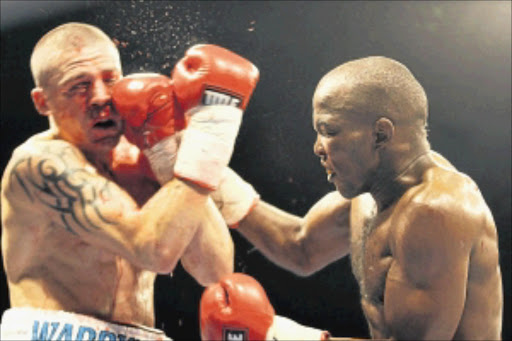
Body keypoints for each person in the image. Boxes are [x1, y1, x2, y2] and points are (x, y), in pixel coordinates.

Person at [201, 56, 503, 340]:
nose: (318, 148)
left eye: (329, 130)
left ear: (381, 135)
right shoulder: (370, 193)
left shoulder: (436, 210)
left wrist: (276, 335)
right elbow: (301, 246)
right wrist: (206, 171)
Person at [0, 22, 260, 340]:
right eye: (78, 86)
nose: (100, 97)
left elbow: (214, 271)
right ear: (43, 102)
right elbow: (152, 250)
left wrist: (165, 152)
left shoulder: (141, 153)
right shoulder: (38, 165)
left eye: (110, 79)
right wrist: (212, 129)